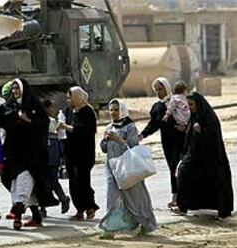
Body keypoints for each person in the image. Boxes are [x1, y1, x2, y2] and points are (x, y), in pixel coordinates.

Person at [0, 78, 59, 230]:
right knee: (16, 183)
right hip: (14, 152)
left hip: (32, 153)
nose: (14, 91)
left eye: (17, 88)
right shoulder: (10, 106)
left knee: (24, 183)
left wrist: (29, 120)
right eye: (12, 89)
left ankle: (18, 213)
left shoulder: (34, 105)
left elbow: (44, 124)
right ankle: (35, 216)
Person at [99, 99, 157, 239]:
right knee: (112, 198)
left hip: (127, 168)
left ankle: (146, 224)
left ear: (122, 111)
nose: (113, 113)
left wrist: (119, 140)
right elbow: (104, 149)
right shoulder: (109, 127)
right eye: (111, 110)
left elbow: (133, 147)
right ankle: (109, 229)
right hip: (112, 169)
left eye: (116, 110)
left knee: (135, 199)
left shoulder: (130, 127)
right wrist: (106, 140)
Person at [174, 92, 234, 220]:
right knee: (184, 172)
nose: (190, 107)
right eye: (188, 105)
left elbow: (213, 135)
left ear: (198, 104)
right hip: (195, 155)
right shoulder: (194, 116)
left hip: (211, 156)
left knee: (217, 182)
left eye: (192, 104)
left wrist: (202, 131)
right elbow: (190, 136)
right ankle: (183, 206)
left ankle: (223, 211)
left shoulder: (209, 117)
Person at [139, 77, 185, 208]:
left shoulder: (178, 101)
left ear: (167, 88)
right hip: (168, 143)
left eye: (161, 89)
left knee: (179, 167)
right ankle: (176, 195)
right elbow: (153, 124)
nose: (159, 92)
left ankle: (181, 197)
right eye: (156, 90)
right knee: (172, 169)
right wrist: (142, 135)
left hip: (182, 140)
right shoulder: (157, 107)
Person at [58, 86, 100, 220]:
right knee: (73, 182)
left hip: (84, 153)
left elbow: (82, 130)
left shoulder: (87, 112)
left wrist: (65, 127)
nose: (68, 100)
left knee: (83, 182)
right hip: (71, 152)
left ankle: (89, 207)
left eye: (70, 98)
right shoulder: (69, 111)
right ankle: (80, 209)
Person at [39, 99, 70, 218]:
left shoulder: (50, 121)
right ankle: (43, 207)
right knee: (44, 183)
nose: (53, 110)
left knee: (51, 182)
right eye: (51, 107)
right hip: (48, 156)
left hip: (51, 156)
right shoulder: (48, 121)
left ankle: (62, 199)